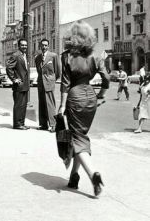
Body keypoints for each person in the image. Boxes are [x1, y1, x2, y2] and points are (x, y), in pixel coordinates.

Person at [58, 20, 110, 197]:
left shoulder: (67, 56)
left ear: (72, 37)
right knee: (79, 136)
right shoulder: (95, 56)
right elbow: (107, 78)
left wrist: (62, 106)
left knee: (77, 138)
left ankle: (92, 174)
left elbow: (65, 84)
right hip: (90, 97)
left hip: (74, 97)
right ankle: (74, 177)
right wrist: (101, 94)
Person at [35, 38, 60, 132]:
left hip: (49, 83)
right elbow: (39, 71)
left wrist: (52, 80)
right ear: (40, 46)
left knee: (50, 104)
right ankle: (43, 124)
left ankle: (53, 124)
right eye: (42, 45)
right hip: (40, 83)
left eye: (46, 45)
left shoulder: (53, 56)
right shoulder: (37, 58)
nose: (44, 47)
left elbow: (58, 71)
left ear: (48, 46)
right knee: (41, 104)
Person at [6, 38, 30, 130]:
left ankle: (22, 123)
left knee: (23, 105)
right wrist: (14, 79)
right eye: (22, 45)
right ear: (19, 46)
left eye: (25, 45)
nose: (24, 47)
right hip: (19, 85)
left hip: (25, 85)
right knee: (18, 105)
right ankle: (17, 124)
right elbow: (9, 67)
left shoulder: (24, 55)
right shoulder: (15, 55)